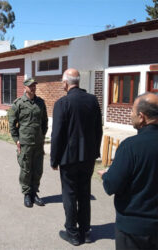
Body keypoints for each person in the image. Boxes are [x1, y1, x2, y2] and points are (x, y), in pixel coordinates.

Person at [98, 92, 158, 250]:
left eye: (132, 111)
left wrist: (107, 175)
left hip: (133, 230)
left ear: (141, 116)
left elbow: (112, 185)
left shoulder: (130, 146)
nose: (130, 115)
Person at [50, 68, 102, 246]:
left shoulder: (62, 103)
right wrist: (95, 152)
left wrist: (54, 159)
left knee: (70, 195)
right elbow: (98, 130)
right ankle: (85, 231)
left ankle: (72, 233)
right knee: (84, 193)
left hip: (68, 158)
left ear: (65, 83)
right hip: (87, 158)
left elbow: (57, 135)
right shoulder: (92, 100)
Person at [8, 78, 48, 208]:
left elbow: (44, 122)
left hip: (38, 142)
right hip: (25, 142)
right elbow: (12, 124)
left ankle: (34, 193)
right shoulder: (18, 104)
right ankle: (26, 194)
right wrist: (17, 140)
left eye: (34, 86)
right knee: (26, 169)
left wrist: (42, 135)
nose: (33, 88)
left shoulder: (40, 103)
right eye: (30, 86)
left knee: (38, 169)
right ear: (25, 88)